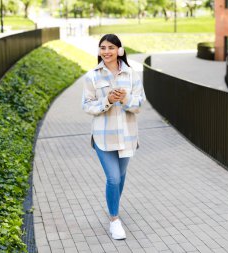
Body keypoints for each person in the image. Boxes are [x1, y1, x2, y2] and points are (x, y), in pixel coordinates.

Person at [81, 34, 146, 240]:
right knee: (114, 178)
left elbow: (138, 105)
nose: (106, 51)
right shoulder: (92, 76)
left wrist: (125, 98)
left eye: (110, 47)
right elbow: (87, 105)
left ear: (120, 50)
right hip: (103, 136)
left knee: (121, 177)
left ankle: (112, 205)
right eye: (102, 47)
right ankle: (114, 220)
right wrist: (107, 100)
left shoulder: (132, 75)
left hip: (127, 135)